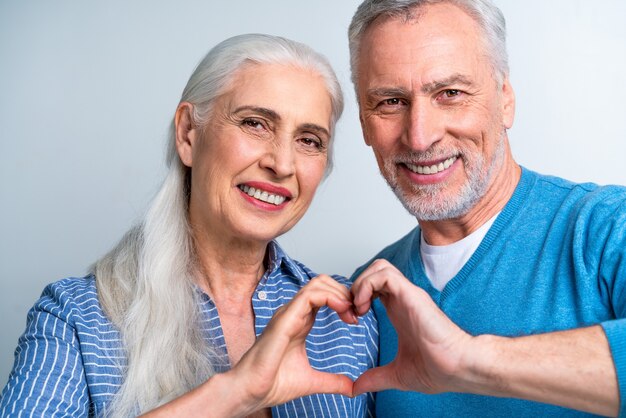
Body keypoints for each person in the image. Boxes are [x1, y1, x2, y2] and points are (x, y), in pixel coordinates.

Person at [0, 34, 377, 417]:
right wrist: (234, 391)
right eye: (255, 123)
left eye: (309, 140)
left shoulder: (352, 320)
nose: (282, 164)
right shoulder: (77, 318)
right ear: (187, 134)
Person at [346, 0, 625, 417]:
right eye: (390, 101)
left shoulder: (605, 228)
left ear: (505, 100)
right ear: (365, 124)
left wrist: (469, 360)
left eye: (451, 93)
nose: (420, 137)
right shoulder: (366, 297)